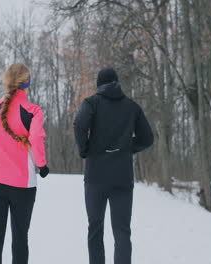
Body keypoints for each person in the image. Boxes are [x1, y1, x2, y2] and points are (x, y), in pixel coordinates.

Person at [74, 68, 153, 264]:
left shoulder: (91, 103)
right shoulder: (132, 107)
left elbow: (79, 124)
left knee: (95, 228)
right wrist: (127, 148)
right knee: (122, 231)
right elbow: (148, 138)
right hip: (122, 178)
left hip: (95, 177)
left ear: (99, 84)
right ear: (117, 83)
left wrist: (85, 149)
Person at [0, 63, 49, 264]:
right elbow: (37, 139)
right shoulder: (33, 111)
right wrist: (42, 164)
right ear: (27, 83)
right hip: (22, 187)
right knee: (20, 240)